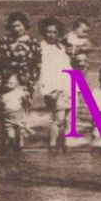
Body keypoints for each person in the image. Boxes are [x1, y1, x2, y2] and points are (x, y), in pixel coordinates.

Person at [0, 11, 39, 151]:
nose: (16, 29)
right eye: (13, 26)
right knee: (5, 115)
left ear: (25, 25)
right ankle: (4, 147)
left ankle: (19, 148)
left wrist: (31, 85)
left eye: (19, 26)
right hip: (7, 84)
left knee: (22, 117)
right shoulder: (4, 42)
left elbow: (37, 65)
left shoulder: (33, 43)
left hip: (24, 84)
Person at [35, 16, 79, 148]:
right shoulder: (39, 48)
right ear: (43, 32)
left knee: (71, 120)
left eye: (54, 32)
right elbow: (41, 71)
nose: (51, 35)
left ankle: (66, 145)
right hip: (55, 89)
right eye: (48, 31)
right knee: (59, 119)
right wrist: (46, 91)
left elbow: (70, 66)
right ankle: (52, 146)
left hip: (70, 86)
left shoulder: (62, 46)